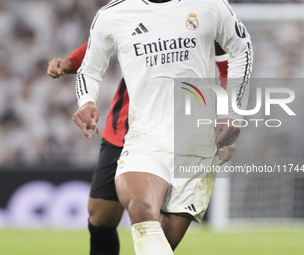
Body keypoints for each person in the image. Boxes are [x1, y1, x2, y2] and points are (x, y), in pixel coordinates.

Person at [73, 0, 252, 253]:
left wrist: (232, 115)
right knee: (141, 209)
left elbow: (242, 50)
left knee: (163, 242)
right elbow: (88, 70)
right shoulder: (114, 14)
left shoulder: (210, 5)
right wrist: (86, 101)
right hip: (144, 137)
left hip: (197, 145)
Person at [47, 36, 234, 255]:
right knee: (100, 217)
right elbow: (103, 43)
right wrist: (70, 63)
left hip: (183, 135)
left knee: (162, 236)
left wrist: (227, 120)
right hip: (124, 129)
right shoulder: (135, 12)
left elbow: (228, 67)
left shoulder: (205, 13)